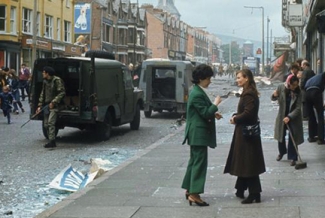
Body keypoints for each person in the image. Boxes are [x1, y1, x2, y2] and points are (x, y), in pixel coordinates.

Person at [181, 64, 222, 207]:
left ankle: (189, 189)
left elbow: (201, 110)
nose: (210, 81)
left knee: (194, 161)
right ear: (201, 78)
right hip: (198, 134)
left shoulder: (196, 90)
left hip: (196, 132)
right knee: (199, 163)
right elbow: (205, 113)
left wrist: (213, 113)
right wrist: (216, 104)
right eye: (208, 78)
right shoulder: (197, 93)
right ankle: (194, 194)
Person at [224, 69, 266, 204]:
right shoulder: (248, 92)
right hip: (246, 133)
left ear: (246, 78)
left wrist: (235, 119)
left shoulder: (248, 94)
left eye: (239, 77)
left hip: (247, 134)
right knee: (245, 161)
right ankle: (240, 189)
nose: (237, 80)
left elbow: (248, 113)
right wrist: (236, 115)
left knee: (248, 163)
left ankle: (254, 193)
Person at [271, 74, 304, 166]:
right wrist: (274, 95)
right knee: (280, 135)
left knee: (293, 136)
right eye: (293, 85)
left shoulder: (298, 92)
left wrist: (289, 117)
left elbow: (298, 108)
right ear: (289, 83)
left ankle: (293, 157)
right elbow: (274, 97)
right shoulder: (281, 87)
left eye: (296, 85)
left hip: (293, 117)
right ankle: (282, 152)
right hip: (282, 115)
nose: (295, 87)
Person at [36, 66, 65, 148]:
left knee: (50, 123)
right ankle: (51, 139)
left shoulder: (57, 80)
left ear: (47, 73)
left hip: (55, 105)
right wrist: (39, 105)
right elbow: (43, 93)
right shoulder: (45, 81)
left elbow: (62, 92)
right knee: (46, 125)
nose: (42, 73)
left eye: (43, 72)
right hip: (46, 105)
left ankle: (52, 142)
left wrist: (54, 101)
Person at [304, 72, 325, 144]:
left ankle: (311, 137)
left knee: (311, 116)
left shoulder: (314, 78)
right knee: (320, 115)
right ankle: (321, 138)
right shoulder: (323, 76)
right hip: (315, 92)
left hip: (307, 94)